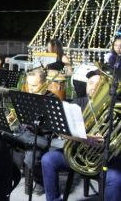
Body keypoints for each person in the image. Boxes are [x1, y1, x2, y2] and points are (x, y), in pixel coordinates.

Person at [41, 69, 121, 201]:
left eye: (99, 84)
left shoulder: (115, 108)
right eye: (90, 83)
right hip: (77, 154)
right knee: (48, 160)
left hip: (107, 158)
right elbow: (60, 130)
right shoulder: (77, 103)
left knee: (116, 180)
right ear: (85, 86)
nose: (94, 87)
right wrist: (84, 138)